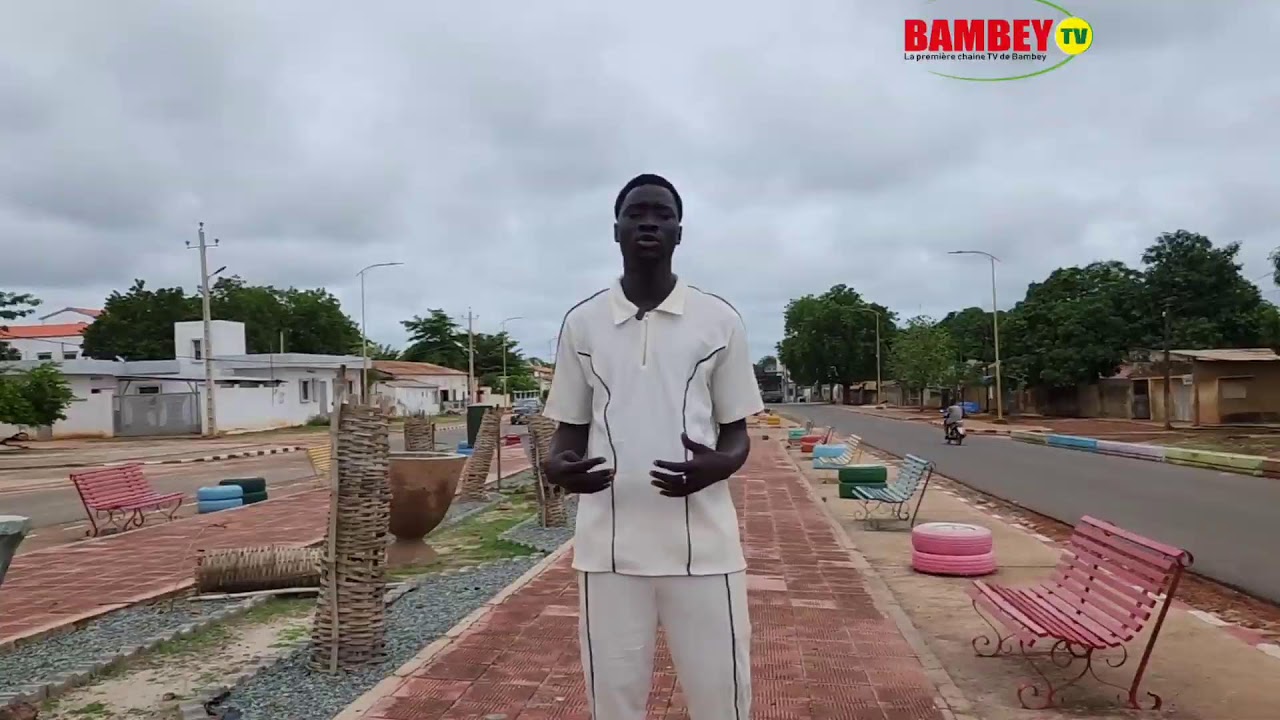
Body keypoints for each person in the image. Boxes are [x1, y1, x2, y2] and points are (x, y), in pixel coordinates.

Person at [541, 173, 764, 719]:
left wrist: (720, 465)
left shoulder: (719, 320)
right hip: (609, 549)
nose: (648, 221)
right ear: (615, 229)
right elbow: (567, 432)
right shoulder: (583, 323)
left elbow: (737, 433)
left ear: (679, 233)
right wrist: (558, 468)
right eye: (636, 213)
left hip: (705, 547)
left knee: (723, 699)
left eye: (662, 214)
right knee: (613, 702)